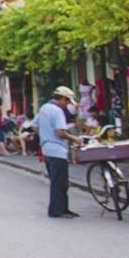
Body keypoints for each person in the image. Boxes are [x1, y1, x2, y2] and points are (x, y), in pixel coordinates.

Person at [36, 86, 79, 218]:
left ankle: (63, 208)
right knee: (59, 182)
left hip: (47, 149)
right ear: (61, 99)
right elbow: (60, 132)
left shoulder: (44, 108)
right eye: (66, 101)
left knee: (60, 181)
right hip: (57, 150)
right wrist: (75, 138)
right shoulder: (57, 111)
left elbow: (34, 126)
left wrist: (44, 137)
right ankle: (56, 210)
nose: (67, 105)